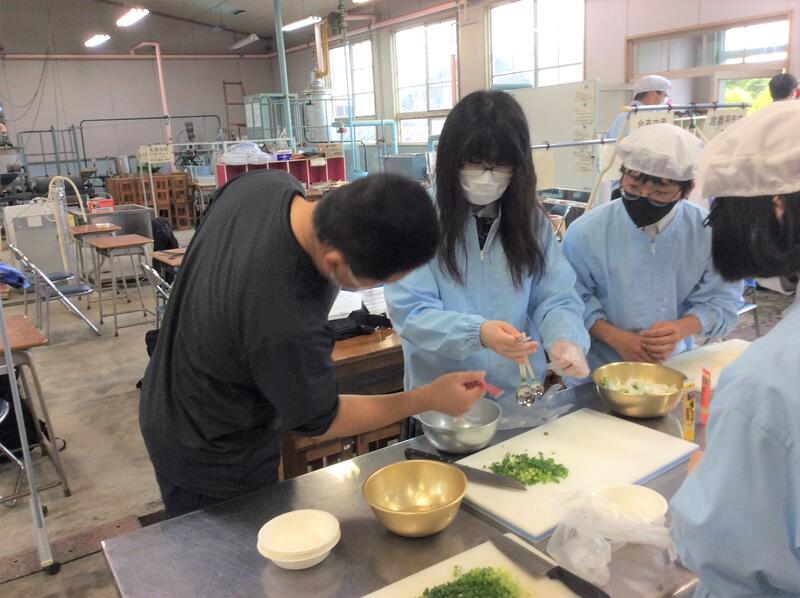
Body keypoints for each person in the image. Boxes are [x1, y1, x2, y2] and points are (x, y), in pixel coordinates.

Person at [140, 170, 488, 517]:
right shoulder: (285, 318)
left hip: (171, 382)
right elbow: (325, 417)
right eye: (378, 281)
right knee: (230, 554)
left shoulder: (265, 186)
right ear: (334, 262)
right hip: (210, 449)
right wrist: (426, 398)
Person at [384, 90, 590, 429]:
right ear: (451, 160)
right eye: (476, 162)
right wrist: (478, 333)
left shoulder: (530, 220)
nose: (487, 175)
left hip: (519, 404)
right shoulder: (418, 219)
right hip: (445, 410)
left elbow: (554, 296)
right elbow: (411, 313)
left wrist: (565, 339)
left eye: (500, 165)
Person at [670, 101, 800, 597]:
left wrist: (705, 482)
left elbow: (724, 554)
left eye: (719, 213)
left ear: (778, 208)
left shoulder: (767, 383)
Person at [561, 124, 742, 376]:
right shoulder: (587, 232)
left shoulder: (707, 232)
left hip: (672, 366)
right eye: (632, 190)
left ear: (686, 190)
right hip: (599, 369)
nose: (644, 201)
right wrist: (615, 338)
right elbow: (569, 298)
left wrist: (681, 328)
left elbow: (723, 300)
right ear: (622, 176)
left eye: (660, 195)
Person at [606, 75, 672, 143]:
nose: (662, 100)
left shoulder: (622, 116)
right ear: (652, 94)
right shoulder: (648, 118)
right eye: (663, 96)